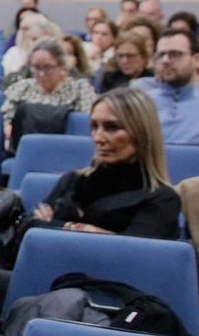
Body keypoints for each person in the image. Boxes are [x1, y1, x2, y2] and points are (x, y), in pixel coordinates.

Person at [28, 88, 181, 239]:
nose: (98, 138)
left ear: (141, 133)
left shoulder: (162, 199)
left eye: (112, 128)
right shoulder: (72, 180)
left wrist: (54, 225)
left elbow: (134, 251)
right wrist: (87, 230)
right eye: (94, 126)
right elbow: (30, 228)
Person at [1, 37, 95, 143]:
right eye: (36, 67)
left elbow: (86, 122)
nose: (41, 74)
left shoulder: (80, 88)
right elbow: (7, 118)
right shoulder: (21, 88)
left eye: (47, 67)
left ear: (61, 65)